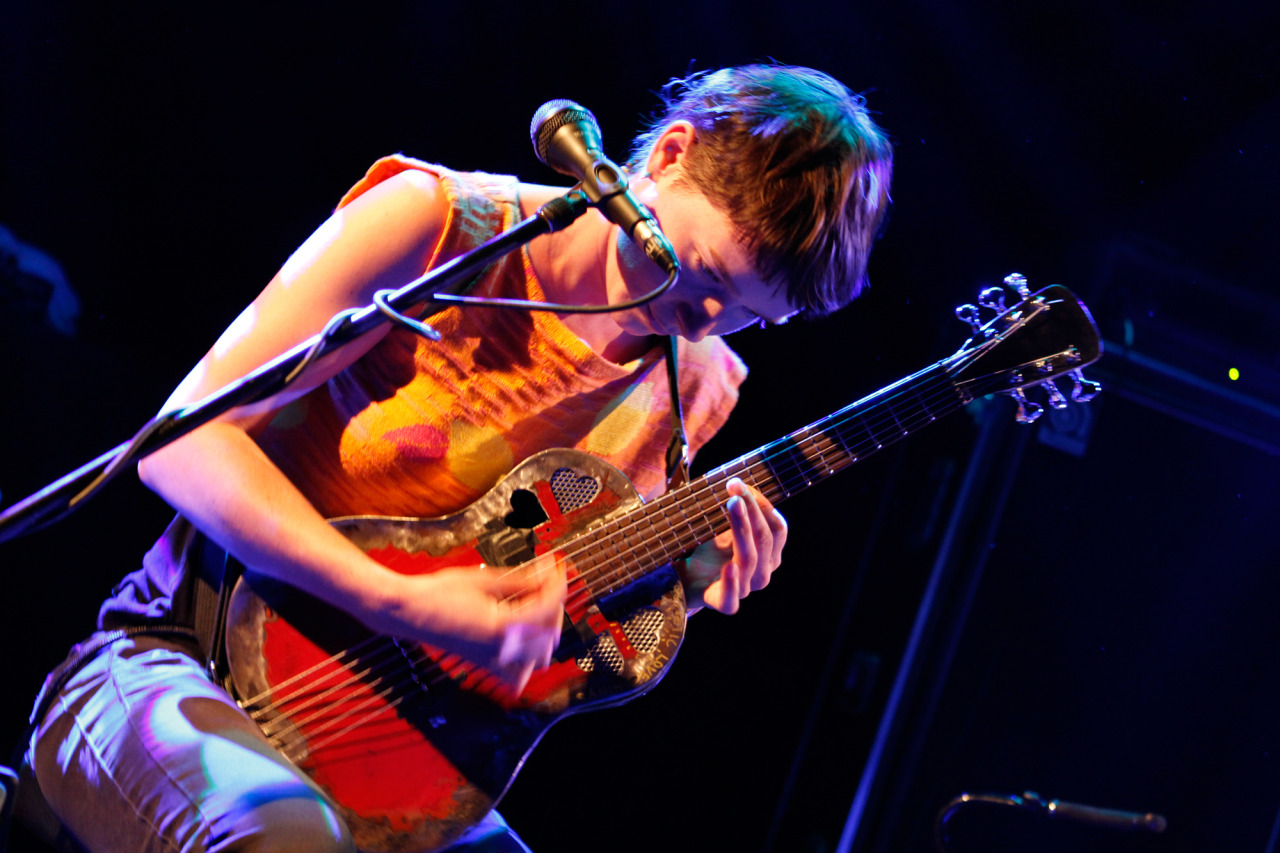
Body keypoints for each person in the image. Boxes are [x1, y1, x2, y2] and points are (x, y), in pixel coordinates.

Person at [24, 64, 893, 852]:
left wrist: (683, 592)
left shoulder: (695, 381)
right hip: (175, 666)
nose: (702, 323)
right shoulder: (434, 225)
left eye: (744, 314)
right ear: (669, 155)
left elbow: (545, 625)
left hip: (385, 757)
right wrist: (401, 601)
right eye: (701, 277)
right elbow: (179, 445)